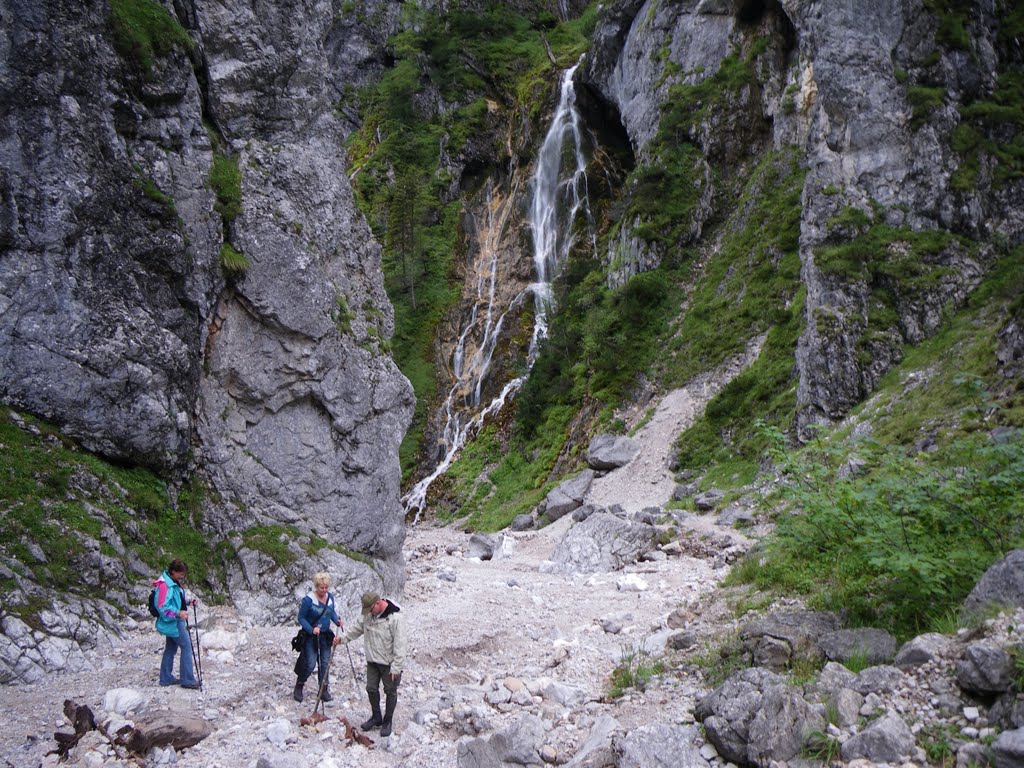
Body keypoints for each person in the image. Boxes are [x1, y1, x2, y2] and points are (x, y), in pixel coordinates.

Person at [338, 591, 408, 737]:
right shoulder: (368, 615)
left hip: (389, 663)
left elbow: (400, 645)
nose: (369, 613)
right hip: (372, 661)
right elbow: (356, 629)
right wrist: (342, 639)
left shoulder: (395, 618)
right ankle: (376, 717)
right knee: (371, 688)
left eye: (370, 609)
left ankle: (387, 720)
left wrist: (396, 667)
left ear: (377, 603)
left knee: (390, 691)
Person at [293, 572, 343, 703]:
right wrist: (311, 629)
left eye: (326, 587)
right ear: (316, 586)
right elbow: (301, 618)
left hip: (325, 635)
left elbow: (330, 612)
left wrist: (337, 621)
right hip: (311, 636)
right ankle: (300, 684)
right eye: (322, 587)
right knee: (310, 663)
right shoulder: (308, 600)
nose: (324, 590)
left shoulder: (330, 597)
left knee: (325, 663)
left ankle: (323, 689)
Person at [153, 559, 200, 689]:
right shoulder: (164, 585)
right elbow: (162, 607)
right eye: (181, 574)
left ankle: (166, 678)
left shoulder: (172, 582)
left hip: (173, 621)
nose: (182, 576)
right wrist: (178, 613)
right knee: (186, 647)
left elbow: (176, 599)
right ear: (173, 571)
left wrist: (189, 602)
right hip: (173, 621)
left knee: (171, 648)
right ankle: (187, 680)